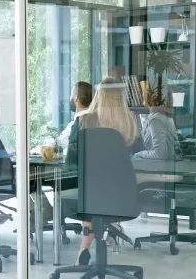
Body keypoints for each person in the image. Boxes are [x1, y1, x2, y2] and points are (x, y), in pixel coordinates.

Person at [65, 77, 138, 267]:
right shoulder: (129, 121)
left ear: (98, 96)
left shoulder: (85, 121)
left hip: (90, 194)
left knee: (89, 193)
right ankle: (111, 226)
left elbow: (71, 163)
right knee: (98, 195)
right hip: (123, 196)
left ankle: (84, 249)